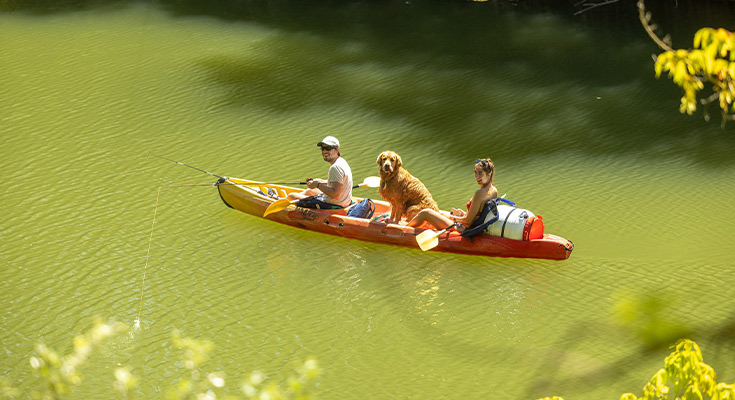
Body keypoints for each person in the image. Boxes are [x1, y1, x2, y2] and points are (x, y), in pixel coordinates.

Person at [406, 158, 497, 231]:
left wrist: (452, 218)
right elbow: (478, 214)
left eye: (480, 173)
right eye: (475, 173)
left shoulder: (479, 193)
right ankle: (415, 223)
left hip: (463, 228)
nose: (477, 177)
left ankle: (403, 228)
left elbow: (468, 221)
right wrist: (464, 214)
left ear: (489, 174)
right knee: (438, 212)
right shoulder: (493, 190)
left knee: (426, 212)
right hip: (471, 225)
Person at [287, 136, 353, 208]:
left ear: (337, 149)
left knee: (291, 196)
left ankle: (289, 204)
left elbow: (335, 194)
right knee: (309, 191)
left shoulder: (335, 168)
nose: (324, 151)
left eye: (328, 148)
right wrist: (319, 182)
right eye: (323, 148)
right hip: (344, 201)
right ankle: (301, 199)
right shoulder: (342, 161)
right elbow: (338, 182)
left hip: (333, 204)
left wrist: (318, 185)